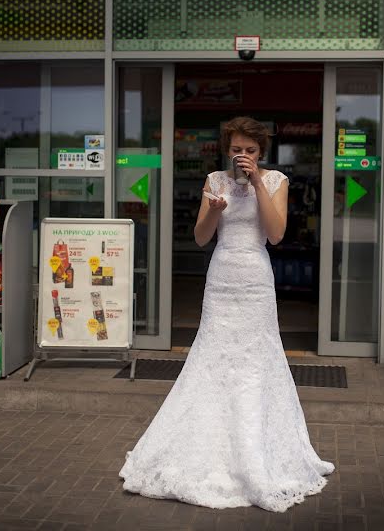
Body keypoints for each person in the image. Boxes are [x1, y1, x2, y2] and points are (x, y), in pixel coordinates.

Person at [119, 116, 334, 512]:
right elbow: (201, 237)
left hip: (255, 277)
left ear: (260, 153)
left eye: (250, 151)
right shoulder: (214, 181)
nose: (243, 156)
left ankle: (256, 449)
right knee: (213, 357)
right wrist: (214, 210)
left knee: (257, 359)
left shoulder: (276, 182)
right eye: (237, 149)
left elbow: (275, 234)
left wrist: (255, 184)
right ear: (227, 149)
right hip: (221, 278)